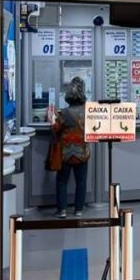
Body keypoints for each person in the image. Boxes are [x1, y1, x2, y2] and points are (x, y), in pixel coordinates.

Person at [52, 77, 90, 218]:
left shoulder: (63, 113)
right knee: (81, 181)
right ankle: (78, 209)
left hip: (65, 153)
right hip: (82, 152)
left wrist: (52, 119)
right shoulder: (87, 113)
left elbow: (55, 129)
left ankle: (62, 210)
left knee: (62, 180)